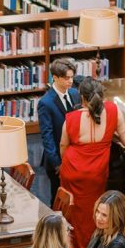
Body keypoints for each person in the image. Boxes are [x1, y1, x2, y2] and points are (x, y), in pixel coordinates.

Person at [59, 78, 125, 248]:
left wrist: (65, 163)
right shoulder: (113, 110)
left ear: (82, 98)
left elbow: (63, 145)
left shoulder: (72, 118)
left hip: (73, 170)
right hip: (97, 172)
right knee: (96, 210)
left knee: (74, 211)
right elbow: (123, 134)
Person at [37, 59, 79, 202]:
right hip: (57, 160)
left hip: (73, 156)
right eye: (66, 78)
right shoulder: (45, 103)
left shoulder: (74, 93)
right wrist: (57, 164)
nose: (71, 81)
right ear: (55, 77)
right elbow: (47, 136)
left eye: (72, 77)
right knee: (58, 197)